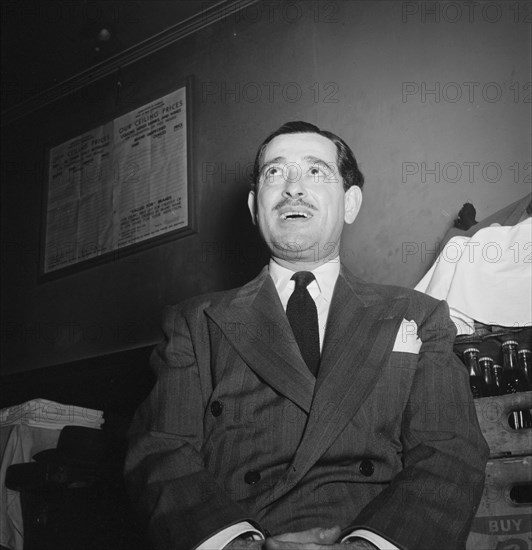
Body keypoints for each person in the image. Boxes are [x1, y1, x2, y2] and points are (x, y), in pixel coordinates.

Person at [125, 121, 489, 550]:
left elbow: (449, 451)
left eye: (315, 172)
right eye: (275, 173)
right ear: (254, 206)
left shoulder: (418, 315)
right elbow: (162, 451)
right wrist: (238, 544)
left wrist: (368, 546)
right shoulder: (194, 322)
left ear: (351, 202)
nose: (293, 188)